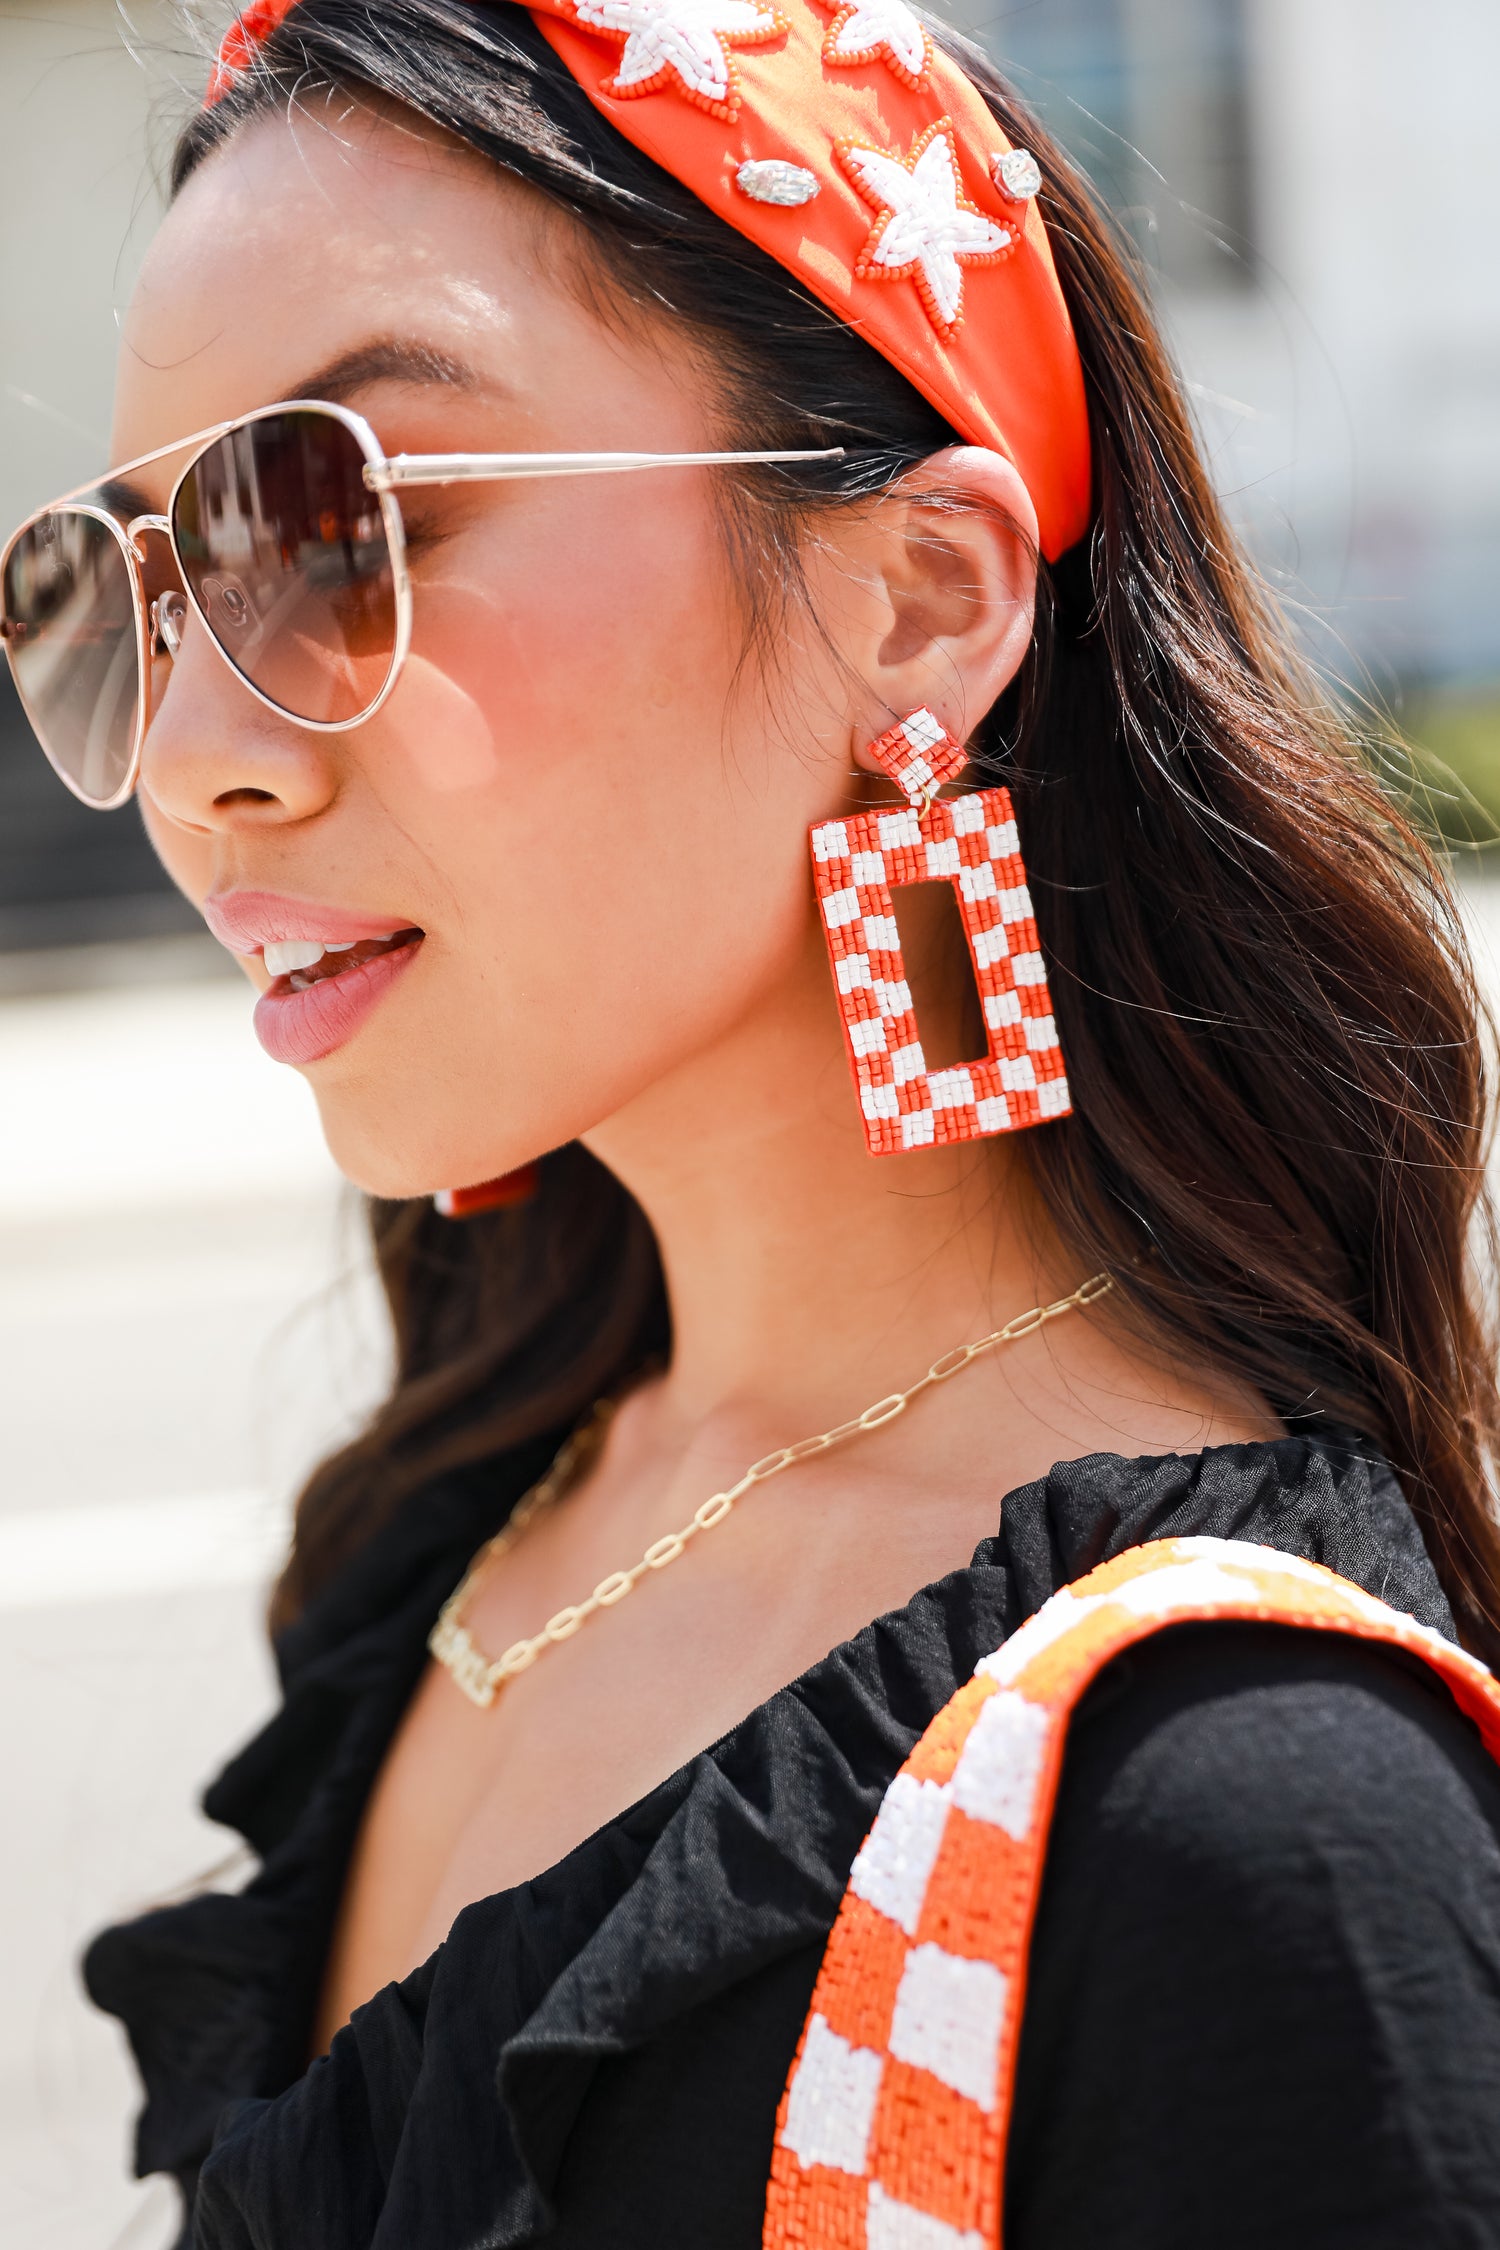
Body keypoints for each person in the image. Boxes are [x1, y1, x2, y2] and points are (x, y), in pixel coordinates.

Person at [5, 0, 1500, 2241]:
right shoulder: (469, 1510)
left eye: (337, 522)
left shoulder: (1234, 1817)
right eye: (123, 589)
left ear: (922, 597)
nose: (201, 752)